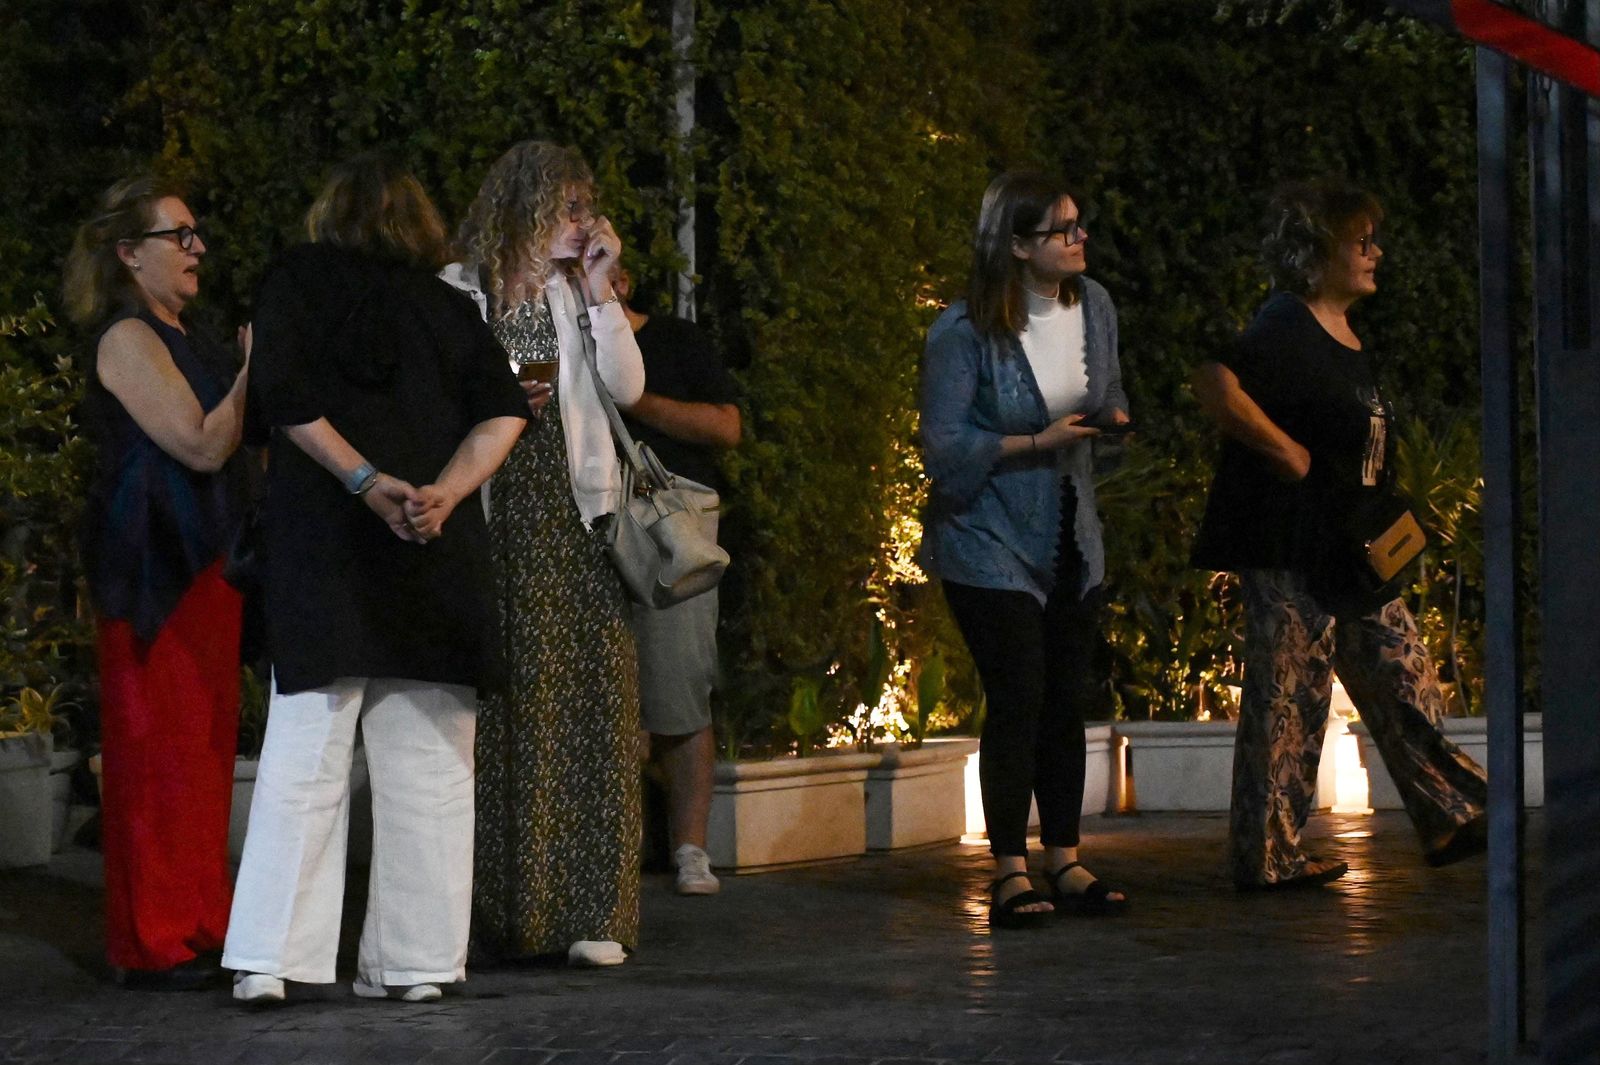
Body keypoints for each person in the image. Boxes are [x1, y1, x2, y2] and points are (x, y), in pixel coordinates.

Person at [221, 154, 527, 1003]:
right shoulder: (446, 305)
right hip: (433, 547)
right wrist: (443, 494)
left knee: (306, 750)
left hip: (327, 547)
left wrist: (363, 481)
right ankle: (417, 963)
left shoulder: (294, 280)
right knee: (430, 759)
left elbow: (284, 398)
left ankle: (271, 961)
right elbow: (505, 409)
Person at [1190, 179, 1488, 891]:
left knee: (1402, 672)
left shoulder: (1347, 338)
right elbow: (1214, 382)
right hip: (1293, 547)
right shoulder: (1284, 324)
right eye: (1361, 242)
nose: (1375, 253)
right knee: (1289, 700)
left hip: (1351, 548)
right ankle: (1267, 856)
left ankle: (1455, 809)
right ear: (1319, 252)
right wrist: (1283, 450)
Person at [442, 141, 646, 967]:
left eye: (585, 206)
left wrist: (600, 290)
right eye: (566, 207)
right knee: (508, 710)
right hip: (499, 518)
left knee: (595, 701)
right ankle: (508, 912)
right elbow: (441, 390)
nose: (581, 222)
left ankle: (595, 910)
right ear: (521, 206)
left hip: (579, 518)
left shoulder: (576, 291)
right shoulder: (466, 288)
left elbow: (627, 390)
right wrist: (492, 392)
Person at [918, 171, 1131, 929]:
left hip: (1071, 527)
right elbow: (942, 449)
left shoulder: (1094, 305)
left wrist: (1111, 420)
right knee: (1019, 690)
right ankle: (1010, 867)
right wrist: (1033, 441)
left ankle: (1064, 856)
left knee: (1065, 696)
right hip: (987, 531)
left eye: (1079, 225)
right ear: (1015, 244)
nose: (1078, 239)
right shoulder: (964, 331)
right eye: (1059, 229)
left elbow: (1104, 393)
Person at [65, 176, 249, 990]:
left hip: (207, 563)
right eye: (179, 235)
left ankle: (204, 920)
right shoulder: (126, 338)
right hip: (152, 570)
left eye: (196, 232)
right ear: (129, 254)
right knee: (155, 752)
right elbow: (202, 444)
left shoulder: (193, 336)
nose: (196, 248)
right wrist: (256, 372)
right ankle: (154, 939)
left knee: (202, 750)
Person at [614, 267, 741, 896]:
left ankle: (691, 848)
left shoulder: (676, 341)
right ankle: (616, 849)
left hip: (673, 523)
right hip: (588, 522)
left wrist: (636, 401)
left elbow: (726, 427)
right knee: (605, 694)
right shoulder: (553, 345)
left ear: (624, 279)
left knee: (681, 685)